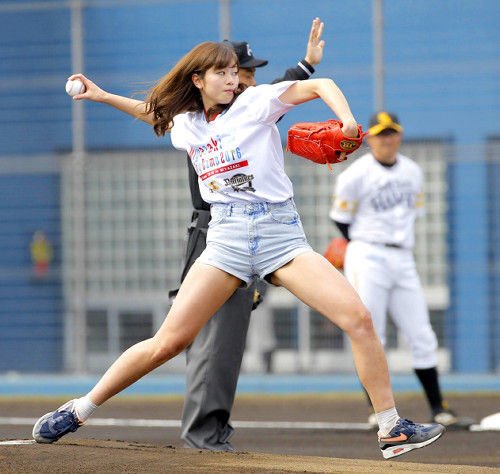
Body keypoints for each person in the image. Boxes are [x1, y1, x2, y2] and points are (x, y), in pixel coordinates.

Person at [32, 40, 445, 460]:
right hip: (226, 237)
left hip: (279, 234)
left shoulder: (256, 102)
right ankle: (78, 409)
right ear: (198, 79)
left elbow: (322, 85)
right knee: (168, 342)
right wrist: (101, 95)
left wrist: (349, 121)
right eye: (223, 73)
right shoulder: (187, 123)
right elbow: (152, 113)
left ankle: (391, 427)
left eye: (234, 72)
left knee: (358, 318)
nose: (233, 79)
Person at [176, 19, 325, 451]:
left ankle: (210, 431)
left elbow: (275, 91)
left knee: (226, 334)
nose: (249, 79)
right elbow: (266, 96)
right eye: (242, 71)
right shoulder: (206, 117)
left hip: (250, 230)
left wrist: (306, 66)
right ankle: (203, 435)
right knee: (215, 335)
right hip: (216, 231)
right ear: (217, 77)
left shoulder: (239, 106)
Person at [329, 111, 473, 429]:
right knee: (371, 333)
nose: (387, 139)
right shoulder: (355, 174)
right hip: (368, 254)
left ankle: (439, 408)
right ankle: (378, 412)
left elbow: (411, 213)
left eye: (391, 133)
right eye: (381, 134)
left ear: (400, 135)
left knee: (421, 334)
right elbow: (340, 218)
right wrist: (358, 247)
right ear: (369, 138)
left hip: (402, 257)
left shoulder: (412, 171)